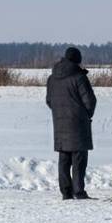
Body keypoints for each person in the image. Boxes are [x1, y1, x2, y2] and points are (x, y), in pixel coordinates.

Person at [45, 46, 97, 199]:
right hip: (78, 123)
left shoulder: (52, 78)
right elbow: (90, 101)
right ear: (77, 61)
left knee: (64, 159)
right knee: (79, 159)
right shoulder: (79, 77)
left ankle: (66, 192)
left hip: (60, 123)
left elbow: (49, 101)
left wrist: (59, 113)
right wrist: (86, 115)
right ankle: (78, 191)